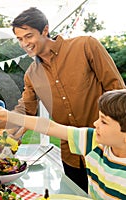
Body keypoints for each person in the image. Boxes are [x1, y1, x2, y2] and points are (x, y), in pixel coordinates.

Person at [9, 7, 126, 191]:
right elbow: (26, 109)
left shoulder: (86, 46)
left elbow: (117, 91)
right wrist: (4, 124)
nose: (24, 43)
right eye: (20, 39)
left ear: (45, 30)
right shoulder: (32, 74)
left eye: (29, 36)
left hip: (105, 148)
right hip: (71, 154)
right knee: (76, 195)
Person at [0, 89, 126, 199]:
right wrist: (10, 116)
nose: (95, 123)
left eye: (104, 121)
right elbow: (50, 127)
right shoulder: (94, 141)